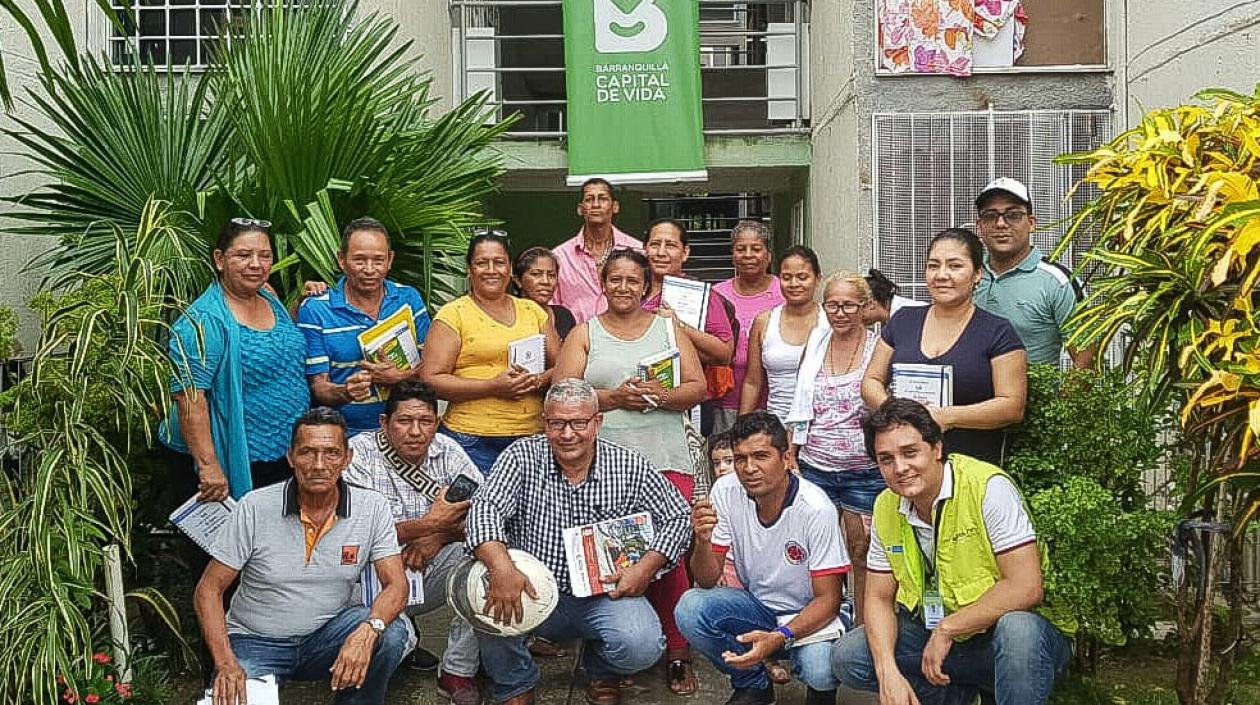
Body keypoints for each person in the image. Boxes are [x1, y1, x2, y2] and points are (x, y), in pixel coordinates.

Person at [465, 379, 694, 705]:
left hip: (604, 595)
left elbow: (678, 516)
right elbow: (485, 508)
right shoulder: (521, 456)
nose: (567, 434)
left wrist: (645, 568)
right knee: (485, 603)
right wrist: (501, 567)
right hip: (529, 587)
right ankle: (515, 682)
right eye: (557, 423)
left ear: (597, 422)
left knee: (641, 644)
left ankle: (601, 669)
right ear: (544, 423)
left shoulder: (628, 464)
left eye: (578, 423)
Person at [832, 398, 1073, 705]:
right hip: (937, 634)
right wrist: (887, 672)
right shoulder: (886, 505)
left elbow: (1026, 587)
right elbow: (879, 598)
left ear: (937, 448)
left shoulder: (987, 488)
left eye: (910, 452)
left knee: (1019, 630)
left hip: (1004, 636)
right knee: (849, 656)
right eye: (886, 459)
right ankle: (956, 696)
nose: (900, 468)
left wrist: (948, 629)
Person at [553, 248, 709, 696]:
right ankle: (615, 650)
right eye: (615, 279)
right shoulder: (585, 333)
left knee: (671, 553)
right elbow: (563, 392)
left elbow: (697, 387)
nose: (623, 287)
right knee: (613, 554)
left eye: (633, 280)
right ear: (603, 283)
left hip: (664, 454)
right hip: (604, 462)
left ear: (646, 286)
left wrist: (661, 395)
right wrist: (614, 398)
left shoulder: (667, 327)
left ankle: (678, 650)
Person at [193, 408, 412, 705]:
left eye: (331, 453)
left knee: (391, 632)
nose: (319, 465)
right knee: (233, 696)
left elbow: (397, 585)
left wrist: (367, 632)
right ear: (290, 457)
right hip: (255, 642)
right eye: (307, 452)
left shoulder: (372, 507)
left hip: (327, 636)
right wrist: (225, 663)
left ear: (347, 458)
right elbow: (208, 589)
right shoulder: (254, 506)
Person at [677, 411, 851, 705]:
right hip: (758, 606)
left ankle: (820, 693)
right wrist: (703, 541)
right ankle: (754, 685)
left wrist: (779, 637)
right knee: (690, 608)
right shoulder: (726, 490)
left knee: (819, 669)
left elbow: (828, 600)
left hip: (812, 613)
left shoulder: (815, 508)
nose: (749, 468)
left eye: (761, 456)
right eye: (740, 458)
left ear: (786, 458)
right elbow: (706, 580)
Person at [341, 381, 483, 704]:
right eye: (404, 421)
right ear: (384, 422)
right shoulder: (359, 454)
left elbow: (486, 517)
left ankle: (457, 670)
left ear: (437, 422)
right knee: (382, 634)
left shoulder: (448, 451)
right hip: (369, 582)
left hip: (427, 572)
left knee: (486, 562)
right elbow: (355, 534)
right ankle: (391, 646)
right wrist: (430, 524)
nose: (416, 431)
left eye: (425, 421)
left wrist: (438, 537)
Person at [161, 218, 309, 506]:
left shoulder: (267, 294)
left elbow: (276, 343)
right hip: (235, 456)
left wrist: (302, 302)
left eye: (264, 256)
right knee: (237, 534)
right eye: (243, 255)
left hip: (283, 448)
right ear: (220, 259)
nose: (256, 264)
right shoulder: (204, 321)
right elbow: (189, 397)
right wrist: (208, 466)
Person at [862, 229, 1027, 466]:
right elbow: (871, 381)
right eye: (933, 266)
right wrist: (897, 411)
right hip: (906, 466)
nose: (941, 275)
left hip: (970, 467)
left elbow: (1012, 406)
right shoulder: (903, 321)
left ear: (977, 274)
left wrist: (947, 416)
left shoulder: (997, 331)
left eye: (955, 266)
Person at [420, 232, 559, 474]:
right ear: (469, 269)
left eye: (499, 262)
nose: (491, 270)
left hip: (533, 437)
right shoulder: (453, 314)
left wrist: (538, 380)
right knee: (476, 500)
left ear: (510, 268)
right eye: (482, 263)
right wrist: (492, 386)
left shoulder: (533, 311)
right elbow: (431, 380)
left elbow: (564, 366)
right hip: (471, 439)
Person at [787, 272, 883, 620]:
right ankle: (822, 622)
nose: (840, 313)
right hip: (815, 464)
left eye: (848, 306)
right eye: (832, 305)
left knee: (863, 550)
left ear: (864, 307)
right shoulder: (816, 342)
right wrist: (790, 452)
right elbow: (800, 401)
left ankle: (863, 626)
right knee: (816, 551)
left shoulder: (878, 348)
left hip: (863, 469)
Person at [298, 217, 432, 436]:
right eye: (359, 260)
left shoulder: (408, 298)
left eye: (378, 260)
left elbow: (433, 366)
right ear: (341, 260)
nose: (369, 269)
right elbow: (319, 387)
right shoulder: (316, 309)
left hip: (407, 434)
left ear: (390, 260)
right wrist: (347, 391)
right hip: (346, 436)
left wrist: (399, 377)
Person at [972, 178, 1090, 367]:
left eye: (1013, 215)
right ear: (979, 226)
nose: (1001, 224)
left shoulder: (1057, 281)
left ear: (1031, 223)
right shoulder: (969, 274)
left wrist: (1066, 389)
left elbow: (1086, 357)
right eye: (990, 216)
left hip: (1033, 386)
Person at [739, 246, 827, 424]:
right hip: (777, 424)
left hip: (823, 425)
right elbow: (753, 382)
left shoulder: (831, 321)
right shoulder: (764, 321)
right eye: (786, 277)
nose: (794, 284)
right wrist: (741, 427)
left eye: (802, 277)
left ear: (818, 278)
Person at [712, 221, 785, 434]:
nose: (748, 255)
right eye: (741, 249)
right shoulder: (717, 294)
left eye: (756, 248)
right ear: (733, 255)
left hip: (774, 404)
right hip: (724, 402)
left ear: (769, 255)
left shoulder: (785, 291)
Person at [642, 218, 735, 367]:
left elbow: (724, 354)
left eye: (670, 245)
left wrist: (678, 325)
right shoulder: (631, 289)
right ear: (645, 249)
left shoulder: (701, 295)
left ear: (685, 253)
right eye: (655, 244)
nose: (661, 252)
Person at [551, 178, 643, 323]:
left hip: (627, 333)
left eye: (602, 199)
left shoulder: (637, 251)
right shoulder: (560, 257)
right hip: (575, 335)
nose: (596, 205)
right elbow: (552, 308)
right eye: (589, 199)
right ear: (580, 209)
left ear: (615, 207)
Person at [514, 246, 578, 341]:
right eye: (536, 274)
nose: (545, 281)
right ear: (518, 280)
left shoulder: (563, 316)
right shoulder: (509, 315)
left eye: (551, 275)